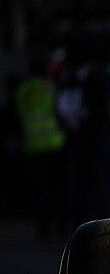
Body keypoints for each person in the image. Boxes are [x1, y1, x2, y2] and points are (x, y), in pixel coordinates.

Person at [14, 54, 67, 237]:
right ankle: (60, 224)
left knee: (40, 188)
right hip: (53, 144)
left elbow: (19, 111)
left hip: (32, 144)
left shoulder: (24, 88)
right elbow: (62, 110)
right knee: (56, 188)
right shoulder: (50, 87)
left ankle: (42, 226)